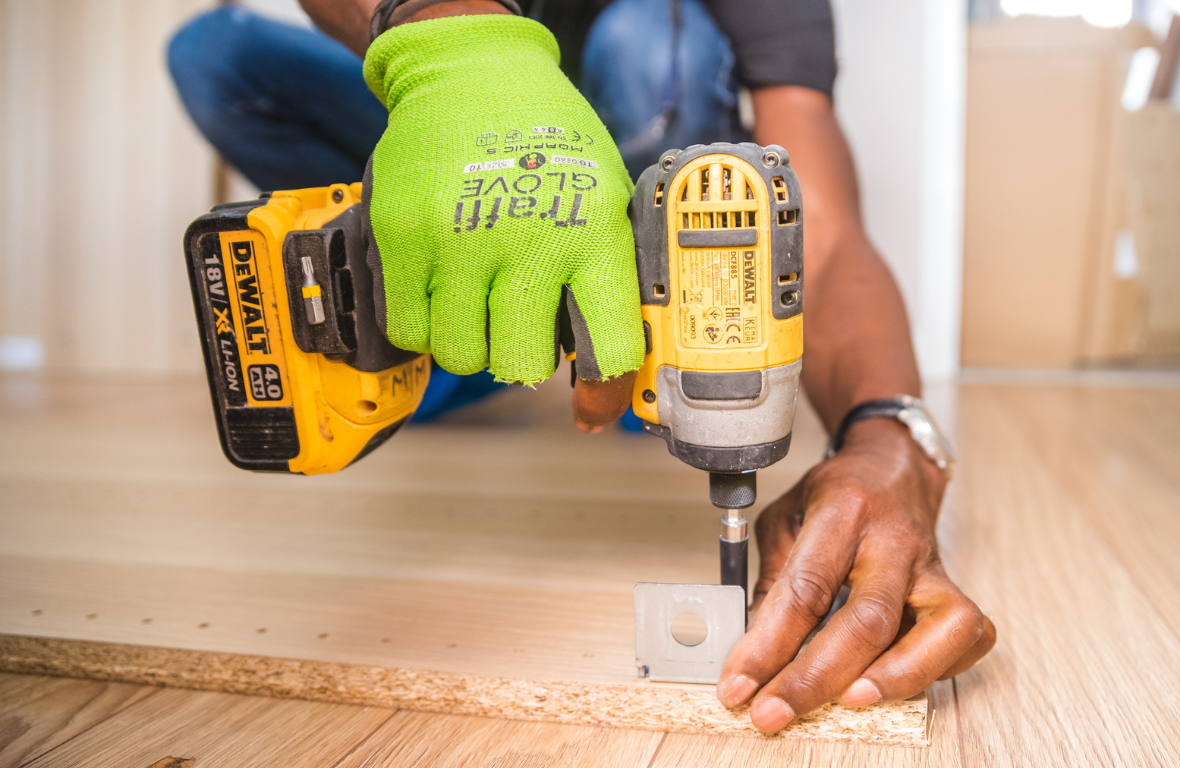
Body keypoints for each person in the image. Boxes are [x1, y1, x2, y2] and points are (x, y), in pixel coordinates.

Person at [167, 0, 996, 734]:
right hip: (460, 133)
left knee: (648, 39)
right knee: (219, 54)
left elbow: (825, 227)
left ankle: (614, 330)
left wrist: (889, 435)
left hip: (634, 171)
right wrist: (451, 44)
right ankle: (461, 323)